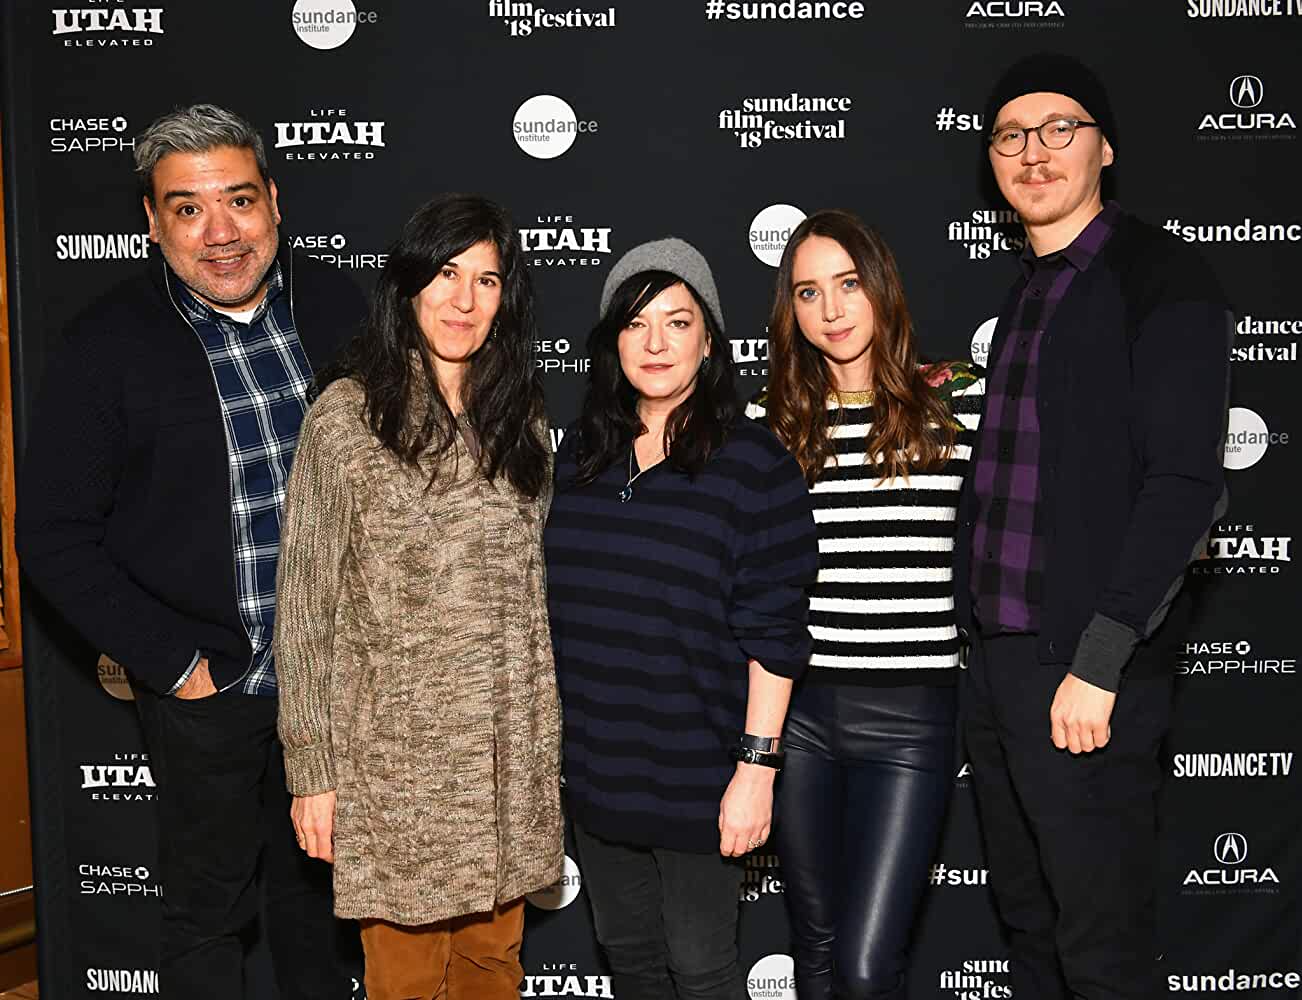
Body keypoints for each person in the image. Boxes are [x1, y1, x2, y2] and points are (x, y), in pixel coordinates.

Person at [17, 104, 365, 999]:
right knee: (206, 922)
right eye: (187, 208)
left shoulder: (344, 310)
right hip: (212, 692)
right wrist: (177, 665)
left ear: (274, 200)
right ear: (151, 220)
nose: (220, 233)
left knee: (325, 917)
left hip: (340, 693)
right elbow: (52, 533)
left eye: (239, 200)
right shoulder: (105, 345)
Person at [956, 54, 1231, 999]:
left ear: (1104, 147)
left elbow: (1186, 485)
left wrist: (1100, 659)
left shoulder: (1161, 276)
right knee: (1031, 931)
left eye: (1059, 129)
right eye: (1010, 136)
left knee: (1101, 953)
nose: (1034, 152)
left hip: (1085, 668)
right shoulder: (1029, 289)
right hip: (1000, 665)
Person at [274, 193, 562, 1000]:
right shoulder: (346, 418)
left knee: (492, 972)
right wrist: (312, 773)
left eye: (487, 280)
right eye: (446, 274)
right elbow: (303, 610)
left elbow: (527, 595)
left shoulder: (520, 416)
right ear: (408, 283)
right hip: (398, 772)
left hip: (507, 763)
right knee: (404, 982)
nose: (464, 300)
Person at [544, 237, 819, 1000]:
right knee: (629, 960)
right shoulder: (579, 459)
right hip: (598, 771)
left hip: (702, 774)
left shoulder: (756, 463)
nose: (656, 342)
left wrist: (755, 772)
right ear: (612, 343)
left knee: (701, 969)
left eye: (677, 321)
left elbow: (776, 635)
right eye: (636, 324)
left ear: (709, 341)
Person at [748, 210, 984, 1000]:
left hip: (913, 717)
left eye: (848, 284)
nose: (832, 310)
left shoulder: (960, 401)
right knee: (814, 951)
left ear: (881, 286)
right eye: (808, 292)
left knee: (865, 964)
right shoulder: (768, 422)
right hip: (801, 716)